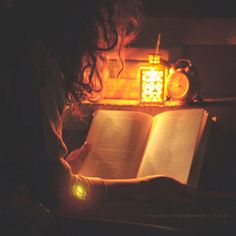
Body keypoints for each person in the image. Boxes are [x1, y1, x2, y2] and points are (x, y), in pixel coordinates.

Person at [0, 0, 196, 235]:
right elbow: (60, 196)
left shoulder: (15, 40)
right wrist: (146, 187)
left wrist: (54, 168)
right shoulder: (34, 62)